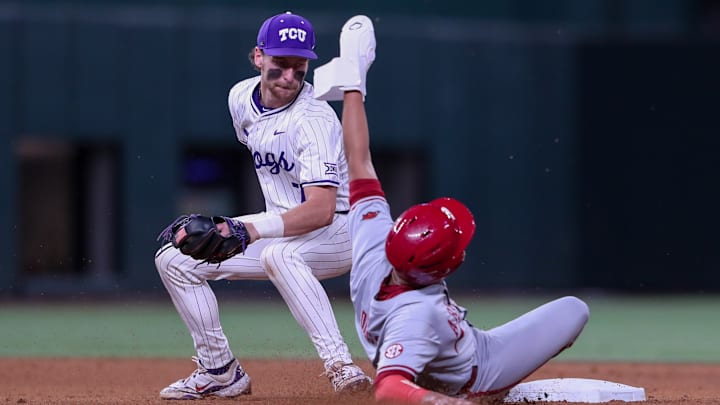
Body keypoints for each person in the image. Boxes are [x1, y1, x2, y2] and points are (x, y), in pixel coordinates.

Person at [313, 15, 591, 404]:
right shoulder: (417, 313)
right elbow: (388, 390)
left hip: (411, 348)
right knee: (574, 309)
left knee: (416, 353)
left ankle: (428, 374)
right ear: (443, 270)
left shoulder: (374, 246)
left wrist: (354, 86)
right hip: (476, 372)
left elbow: (358, 163)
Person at [154, 11, 372, 400]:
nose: (290, 75)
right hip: (283, 227)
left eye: (299, 65)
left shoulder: (315, 120)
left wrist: (250, 229)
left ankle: (340, 365)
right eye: (280, 63)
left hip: (340, 230)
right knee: (174, 259)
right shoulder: (240, 98)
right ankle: (220, 372)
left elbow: (320, 209)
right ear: (258, 57)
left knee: (282, 257)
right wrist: (251, 227)